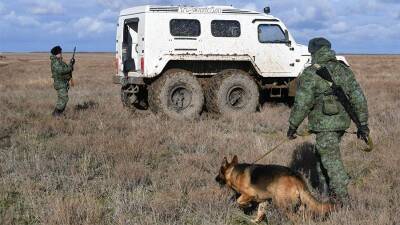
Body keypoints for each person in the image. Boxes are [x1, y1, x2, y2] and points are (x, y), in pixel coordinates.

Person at [287, 37, 369, 206]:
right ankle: (325, 194)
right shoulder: (343, 70)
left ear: (312, 52)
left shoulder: (311, 73)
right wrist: (363, 124)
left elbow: (302, 103)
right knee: (321, 156)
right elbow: (358, 97)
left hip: (325, 125)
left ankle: (345, 202)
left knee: (331, 161)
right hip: (341, 124)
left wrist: (293, 125)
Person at [50, 46, 75, 117]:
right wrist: (70, 67)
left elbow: (67, 69)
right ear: (57, 53)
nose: (61, 54)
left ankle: (57, 114)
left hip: (63, 83)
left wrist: (71, 63)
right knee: (64, 98)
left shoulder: (59, 61)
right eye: (60, 52)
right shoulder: (56, 63)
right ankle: (56, 114)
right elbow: (62, 71)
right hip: (60, 83)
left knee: (63, 99)